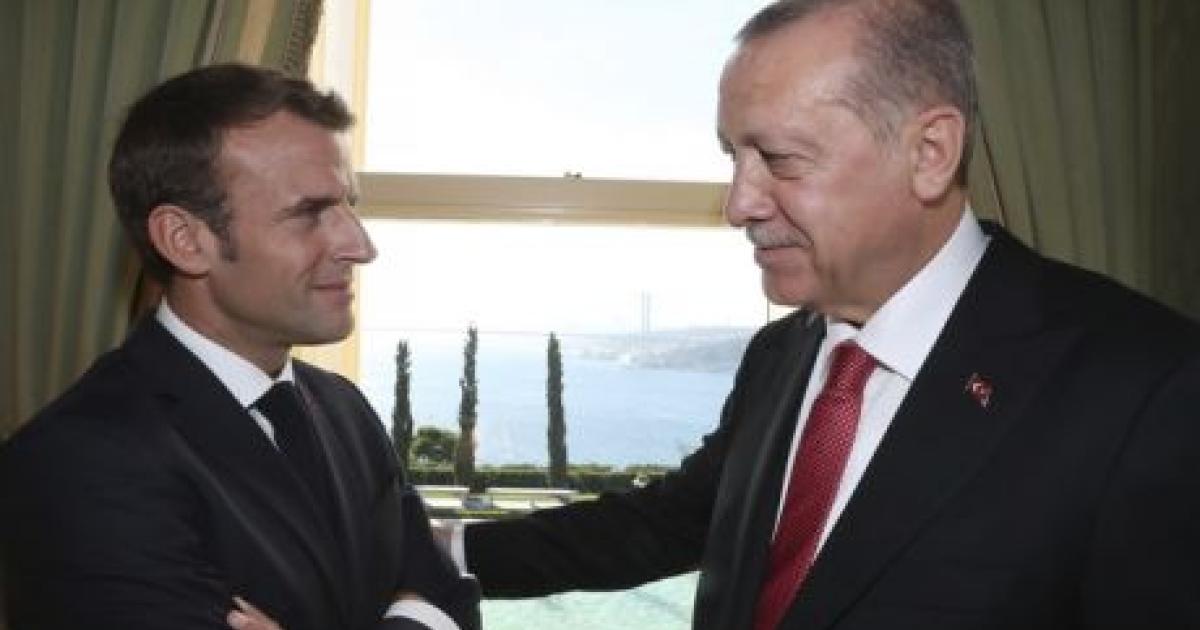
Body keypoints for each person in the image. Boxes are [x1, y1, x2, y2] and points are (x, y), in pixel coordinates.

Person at [446, 1, 1200, 628]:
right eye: (733, 157)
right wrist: (434, 552)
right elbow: (662, 526)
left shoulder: (1146, 389)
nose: (739, 204)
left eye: (779, 159)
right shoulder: (779, 356)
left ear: (930, 152)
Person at [0, 64, 479, 630]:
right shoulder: (77, 462)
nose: (360, 245)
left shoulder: (343, 407)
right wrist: (412, 611)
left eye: (349, 206)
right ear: (185, 240)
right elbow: (430, 602)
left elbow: (449, 593)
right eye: (308, 213)